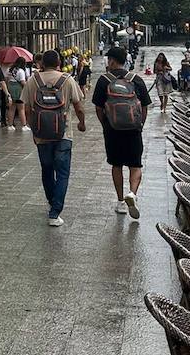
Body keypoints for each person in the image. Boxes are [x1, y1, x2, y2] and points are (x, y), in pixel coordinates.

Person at [22, 50, 86, 227]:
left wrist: (33, 129)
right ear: (59, 62)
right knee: (63, 173)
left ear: (41, 63)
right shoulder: (67, 79)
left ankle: (52, 202)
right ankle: (55, 211)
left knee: (47, 170)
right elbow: (79, 106)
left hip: (42, 134)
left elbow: (26, 109)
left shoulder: (32, 80)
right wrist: (82, 123)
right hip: (64, 134)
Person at [92, 47, 151, 221]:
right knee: (135, 165)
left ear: (110, 61)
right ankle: (132, 193)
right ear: (125, 60)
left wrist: (105, 125)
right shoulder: (136, 79)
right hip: (134, 130)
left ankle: (120, 202)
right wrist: (140, 125)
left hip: (112, 130)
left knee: (116, 165)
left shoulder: (104, 80)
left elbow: (98, 107)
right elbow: (145, 106)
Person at [5, 58, 29, 129]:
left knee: (12, 108)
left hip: (10, 88)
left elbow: (6, 79)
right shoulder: (21, 71)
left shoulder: (9, 69)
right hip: (18, 89)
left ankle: (10, 125)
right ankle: (24, 125)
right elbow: (22, 82)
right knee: (21, 108)